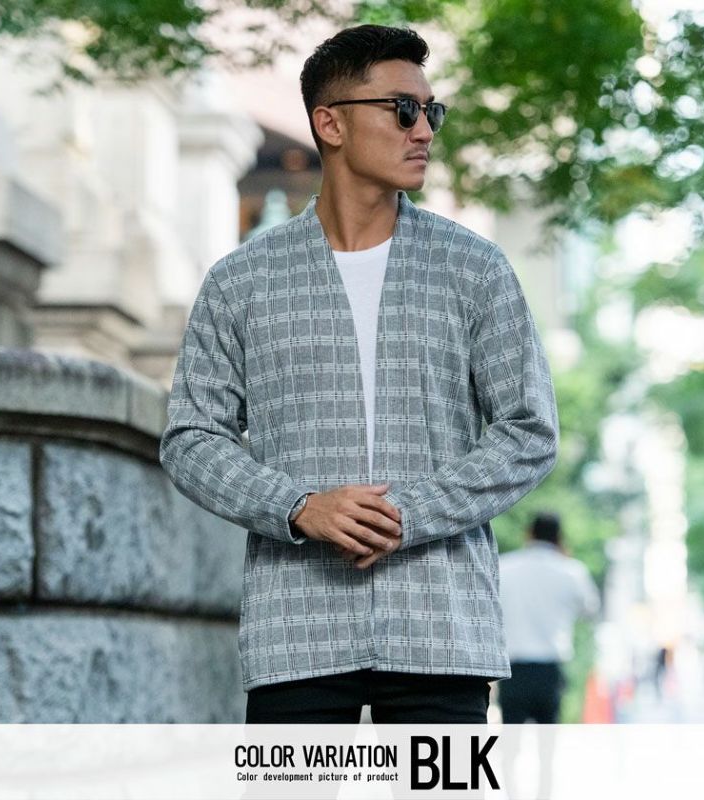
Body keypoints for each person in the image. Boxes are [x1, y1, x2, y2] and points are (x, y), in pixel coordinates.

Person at [159, 24, 559, 724]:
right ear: (331, 124)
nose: (423, 131)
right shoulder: (242, 280)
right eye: (402, 110)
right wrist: (296, 506)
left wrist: (411, 514)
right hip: (296, 635)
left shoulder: (475, 269)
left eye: (430, 112)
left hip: (441, 630)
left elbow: (529, 431)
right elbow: (191, 437)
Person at [496, 513, 601, 724]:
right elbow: (591, 611)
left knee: (511, 739)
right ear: (559, 538)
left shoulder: (503, 566)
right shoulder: (571, 571)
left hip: (513, 669)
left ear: (529, 534)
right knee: (547, 739)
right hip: (549, 669)